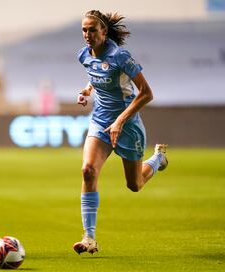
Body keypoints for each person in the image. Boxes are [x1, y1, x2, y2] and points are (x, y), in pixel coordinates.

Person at [72, 10, 168, 255]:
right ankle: (89, 238)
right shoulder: (84, 55)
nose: (87, 34)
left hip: (127, 125)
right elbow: (96, 76)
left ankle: (157, 159)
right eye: (84, 29)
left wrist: (120, 121)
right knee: (88, 171)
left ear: (104, 32)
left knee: (134, 185)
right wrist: (86, 91)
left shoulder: (120, 56)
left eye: (92, 29)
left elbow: (147, 93)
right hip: (100, 122)